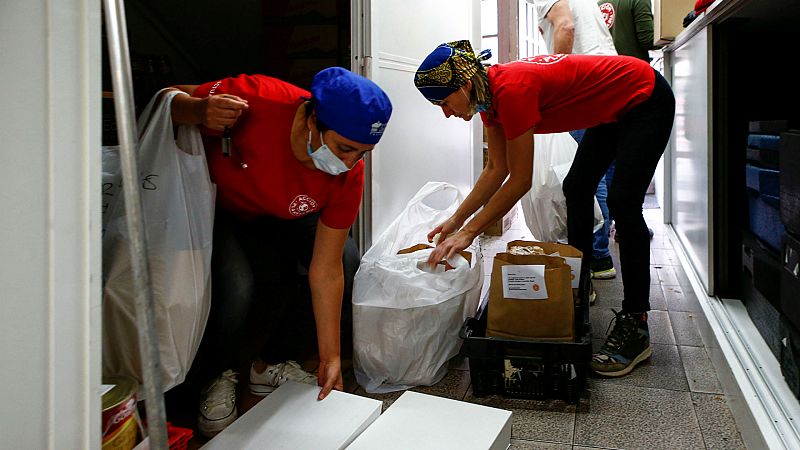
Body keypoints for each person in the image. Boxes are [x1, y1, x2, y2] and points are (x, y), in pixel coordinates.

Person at [414, 40, 674, 377]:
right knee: (577, 187)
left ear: (464, 84)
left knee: (624, 204)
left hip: (644, 96)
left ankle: (636, 324)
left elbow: (519, 181)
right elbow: (496, 170)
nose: (446, 112)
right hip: (613, 108)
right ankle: (577, 284)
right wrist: (454, 221)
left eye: (444, 102)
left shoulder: (511, 90)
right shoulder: (488, 98)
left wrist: (469, 233)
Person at [168, 67, 392, 436]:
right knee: (238, 285)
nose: (351, 163)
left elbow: (327, 269)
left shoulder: (348, 175)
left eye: (363, 152)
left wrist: (330, 357)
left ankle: (268, 363)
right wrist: (197, 110)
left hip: (285, 213)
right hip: (219, 209)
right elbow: (167, 96)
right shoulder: (258, 98)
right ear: (313, 120)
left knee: (349, 263)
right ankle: (218, 374)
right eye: (344, 148)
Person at [533, 0, 618, 280]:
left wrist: (556, 84)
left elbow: (566, 27)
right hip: (608, 79)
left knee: (584, 180)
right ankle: (600, 258)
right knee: (600, 175)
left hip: (586, 83)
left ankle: (591, 259)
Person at [597, 0, 657, 244]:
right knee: (633, 159)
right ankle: (627, 223)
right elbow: (648, 39)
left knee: (608, 161)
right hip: (635, 84)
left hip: (604, 85)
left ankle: (608, 225)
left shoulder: (598, 3)